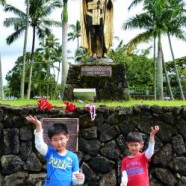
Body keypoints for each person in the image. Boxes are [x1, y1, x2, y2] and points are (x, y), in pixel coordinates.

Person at [25, 115, 85, 186]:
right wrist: (38, 125)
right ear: (51, 141)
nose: (59, 142)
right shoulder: (50, 152)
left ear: (67, 137)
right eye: (55, 140)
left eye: (61, 139)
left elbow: (75, 180)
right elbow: (39, 145)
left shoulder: (73, 157)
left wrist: (80, 178)